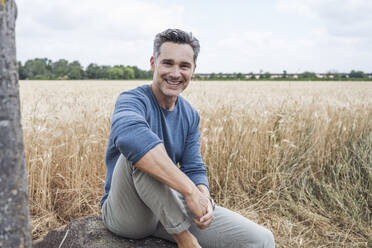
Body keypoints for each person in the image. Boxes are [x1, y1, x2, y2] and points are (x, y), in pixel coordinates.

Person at [100, 28, 275, 248]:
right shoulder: (132, 100)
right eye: (168, 63)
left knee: (261, 240)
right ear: (153, 63)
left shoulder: (190, 114)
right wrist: (189, 192)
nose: (175, 73)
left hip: (168, 205)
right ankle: (184, 240)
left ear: (193, 69)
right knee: (138, 154)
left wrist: (204, 199)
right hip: (130, 214)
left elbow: (194, 167)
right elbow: (130, 138)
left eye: (184, 66)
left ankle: (180, 223)